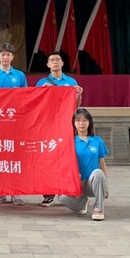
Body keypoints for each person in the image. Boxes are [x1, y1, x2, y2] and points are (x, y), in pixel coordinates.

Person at [36, 51, 84, 207]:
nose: (55, 62)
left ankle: (66, 191)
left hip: (66, 124)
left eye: (58, 59)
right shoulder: (42, 82)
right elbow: (37, 106)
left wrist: (79, 95)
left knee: (66, 157)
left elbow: (76, 106)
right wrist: (43, 92)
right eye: (52, 60)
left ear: (62, 63)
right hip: (48, 125)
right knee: (48, 157)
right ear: (48, 64)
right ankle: (48, 193)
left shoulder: (71, 81)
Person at [0, 43, 28, 205]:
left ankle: (16, 192)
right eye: (2, 54)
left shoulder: (20, 76)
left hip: (16, 123)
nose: (5, 57)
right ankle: (0, 192)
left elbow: (26, 98)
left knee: (16, 157)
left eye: (8, 54)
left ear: (12, 57)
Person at [59, 108, 109, 221]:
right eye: (78, 120)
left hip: (92, 182)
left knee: (98, 172)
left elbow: (102, 163)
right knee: (62, 198)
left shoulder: (97, 141)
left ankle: (99, 208)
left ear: (89, 122)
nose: (81, 123)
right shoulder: (70, 142)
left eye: (84, 120)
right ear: (73, 123)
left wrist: (106, 186)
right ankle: (82, 204)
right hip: (77, 182)